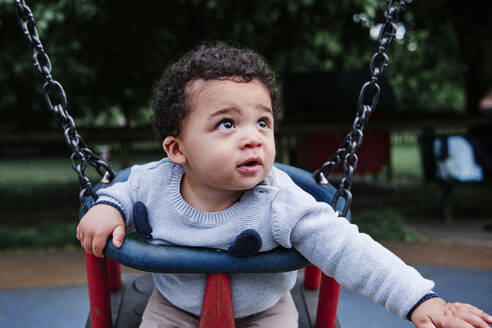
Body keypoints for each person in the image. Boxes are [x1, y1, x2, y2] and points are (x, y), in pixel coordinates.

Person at [77, 42, 492, 328]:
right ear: (177, 149)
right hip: (173, 305)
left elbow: (350, 250)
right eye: (226, 123)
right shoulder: (155, 182)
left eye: (263, 122)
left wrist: (421, 301)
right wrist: (108, 208)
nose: (253, 136)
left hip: (265, 311)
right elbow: (122, 190)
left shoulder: (281, 202)